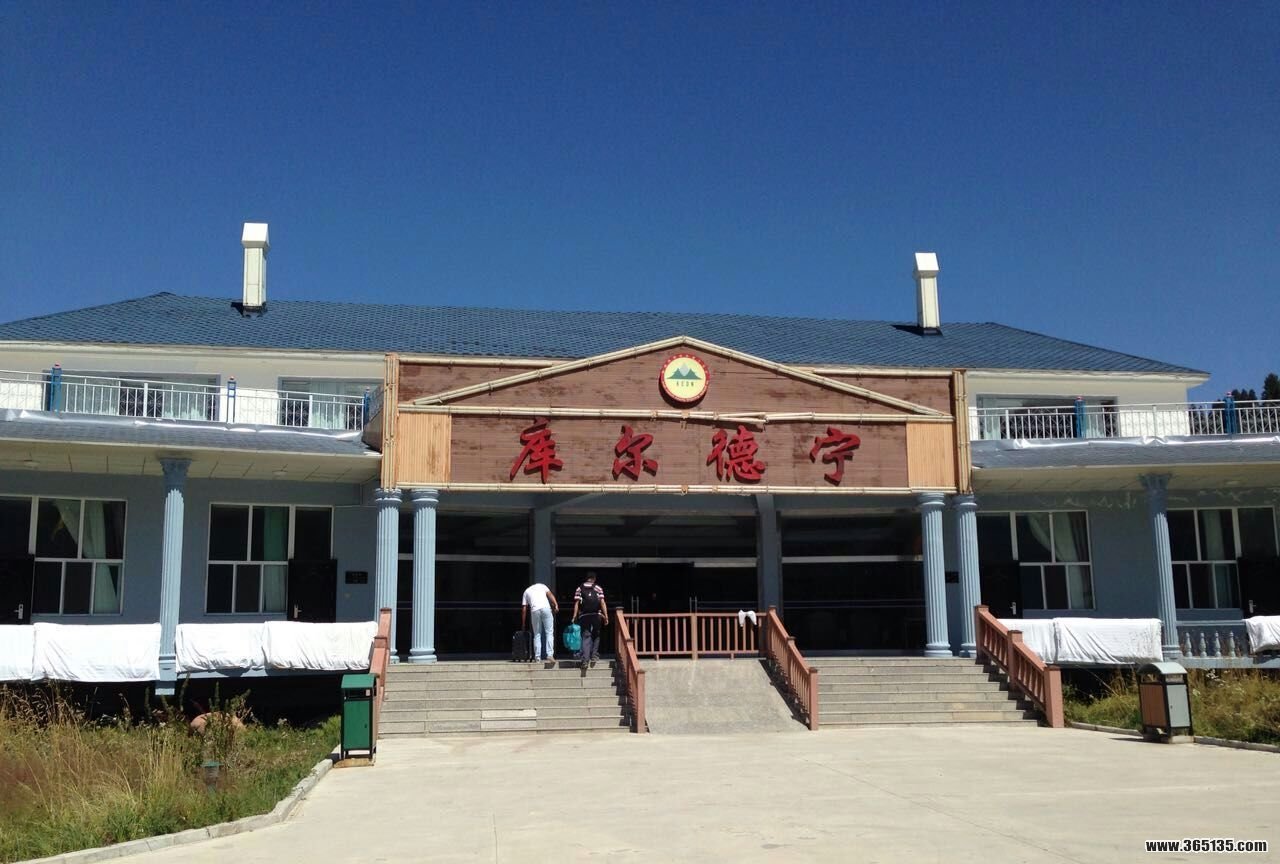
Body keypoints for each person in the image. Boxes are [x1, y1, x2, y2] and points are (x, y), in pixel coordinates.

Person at [571, 571, 608, 669]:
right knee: (596, 635)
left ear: (587, 578)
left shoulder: (580, 588)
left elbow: (576, 603)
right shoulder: (598, 588)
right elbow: (602, 602)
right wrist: (606, 616)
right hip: (596, 615)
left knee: (585, 636)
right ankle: (594, 655)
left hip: (584, 615)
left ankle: (585, 660)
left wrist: (574, 616)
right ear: (594, 579)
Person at [521, 581, 559, 666]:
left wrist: (523, 623)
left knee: (537, 634)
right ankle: (550, 655)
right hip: (546, 608)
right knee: (549, 632)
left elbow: (524, 609)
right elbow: (550, 595)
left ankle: (537, 657)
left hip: (535, 610)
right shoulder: (542, 586)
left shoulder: (526, 591)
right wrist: (556, 605)